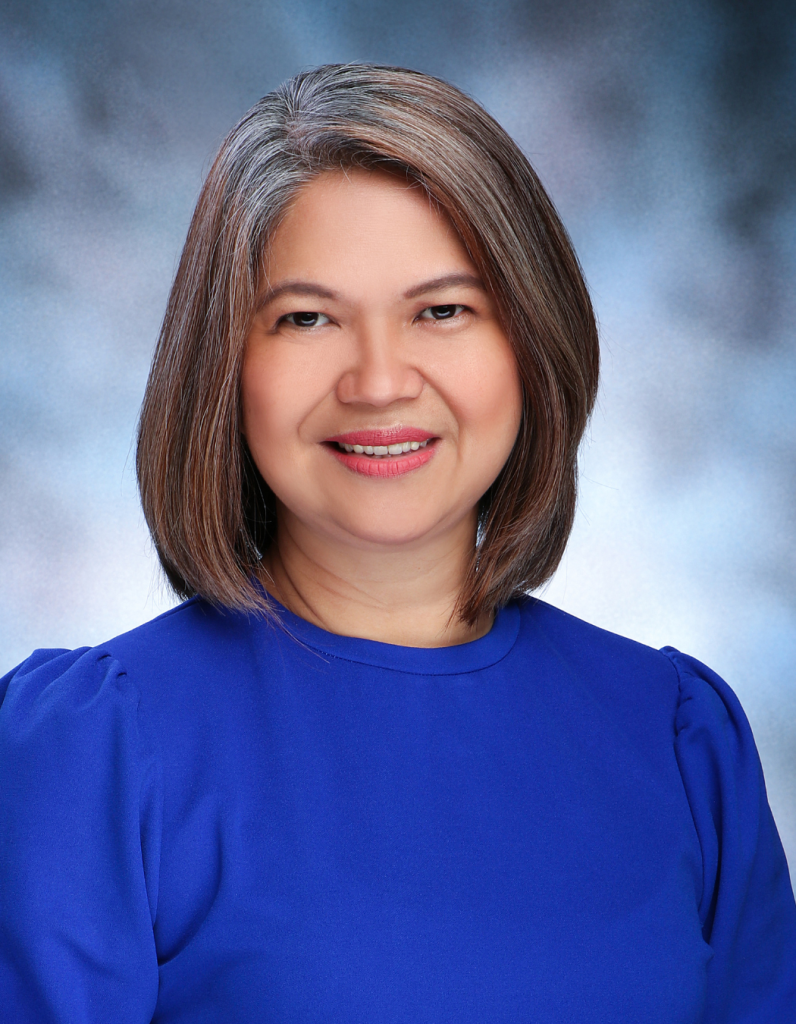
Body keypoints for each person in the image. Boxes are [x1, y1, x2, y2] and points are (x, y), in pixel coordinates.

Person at [1, 63, 794, 1023]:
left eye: (442, 310)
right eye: (307, 318)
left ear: (531, 341)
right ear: (226, 364)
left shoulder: (679, 739)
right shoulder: (96, 751)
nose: (379, 382)